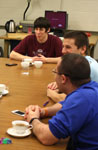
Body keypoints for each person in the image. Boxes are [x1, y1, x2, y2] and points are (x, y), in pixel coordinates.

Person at [25, 53, 98, 149]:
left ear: (63, 78)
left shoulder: (80, 99)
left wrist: (33, 119)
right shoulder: (91, 88)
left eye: (55, 72)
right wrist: (44, 112)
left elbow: (47, 137)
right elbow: (65, 105)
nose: (54, 76)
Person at [47, 31, 98, 102]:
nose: (63, 51)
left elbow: (71, 100)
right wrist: (59, 84)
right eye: (63, 47)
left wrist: (51, 94)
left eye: (68, 47)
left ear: (83, 49)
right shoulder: (79, 62)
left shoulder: (86, 67)